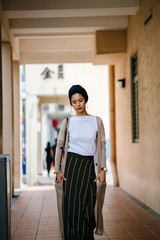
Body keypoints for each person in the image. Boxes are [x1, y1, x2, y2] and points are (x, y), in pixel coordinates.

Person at [55, 85, 107, 240]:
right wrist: (57, 170)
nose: (78, 104)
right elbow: (59, 146)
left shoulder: (96, 121)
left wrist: (103, 169)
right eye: (74, 101)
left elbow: (102, 146)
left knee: (89, 209)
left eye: (80, 100)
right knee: (72, 210)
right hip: (71, 168)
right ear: (71, 103)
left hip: (88, 167)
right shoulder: (68, 122)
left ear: (85, 100)